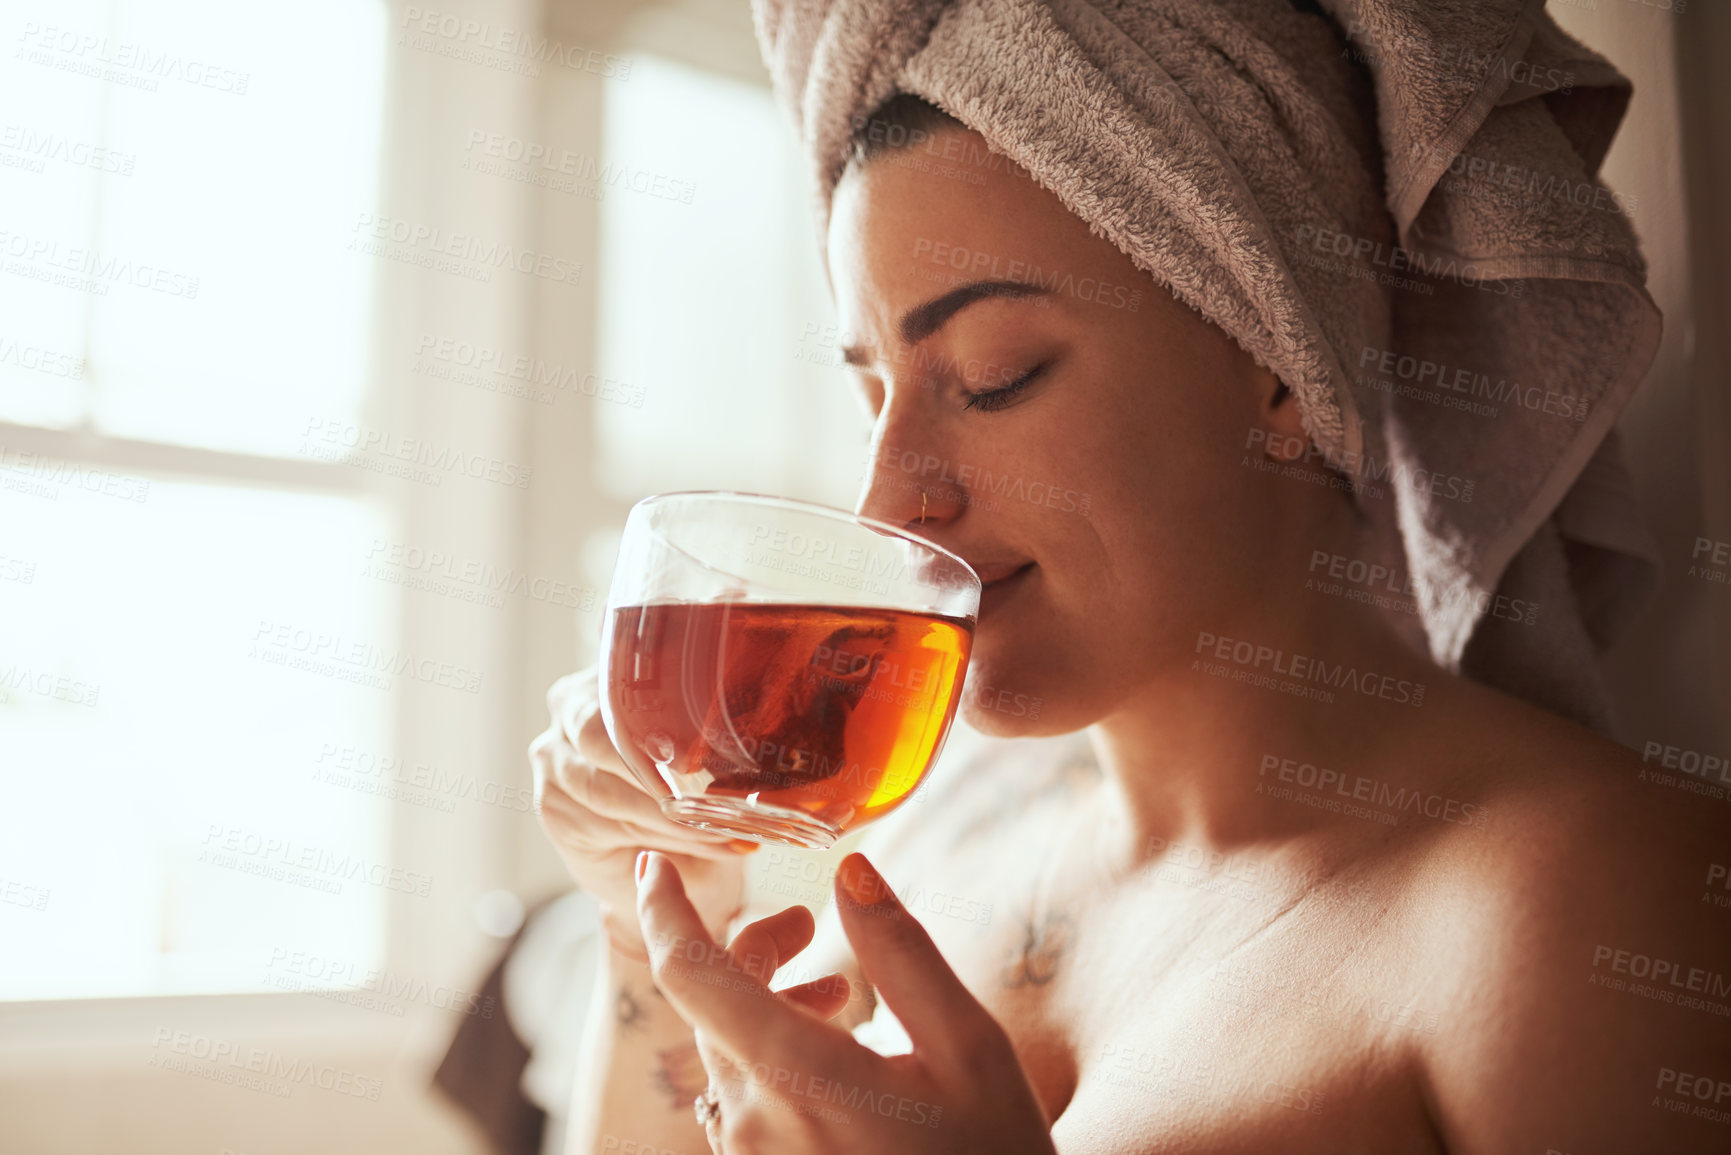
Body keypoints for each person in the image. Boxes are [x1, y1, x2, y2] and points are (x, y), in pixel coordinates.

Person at [530, 6, 1729, 1153]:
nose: (890, 502)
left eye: (994, 376)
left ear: (1280, 368)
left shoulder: (1593, 904)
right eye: (872, 399)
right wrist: (647, 929)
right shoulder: (927, 847)